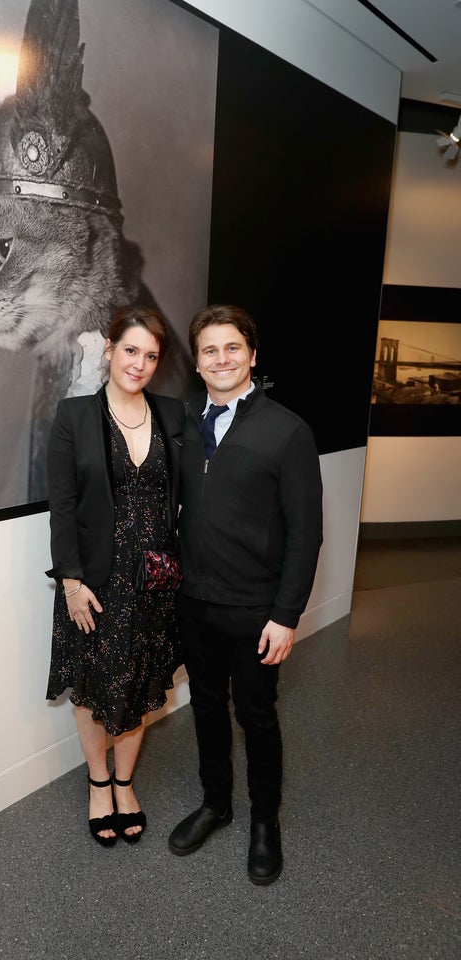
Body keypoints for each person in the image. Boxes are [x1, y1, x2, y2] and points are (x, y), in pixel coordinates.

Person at [168, 304, 323, 884]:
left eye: (232, 347)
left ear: (252, 355)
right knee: (205, 707)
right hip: (195, 603)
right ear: (198, 362)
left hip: (257, 610)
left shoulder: (287, 430)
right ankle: (217, 803)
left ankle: (264, 820)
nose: (221, 358)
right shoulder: (183, 421)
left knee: (255, 715)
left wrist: (286, 616)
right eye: (209, 350)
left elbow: (306, 533)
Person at [45, 305, 185, 846]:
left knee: (141, 681)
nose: (140, 364)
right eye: (131, 350)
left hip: (154, 581)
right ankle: (98, 783)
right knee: (91, 688)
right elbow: (62, 508)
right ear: (108, 350)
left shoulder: (174, 416)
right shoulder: (75, 416)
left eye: (151, 356)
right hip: (94, 584)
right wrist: (71, 583)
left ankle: (125, 783)